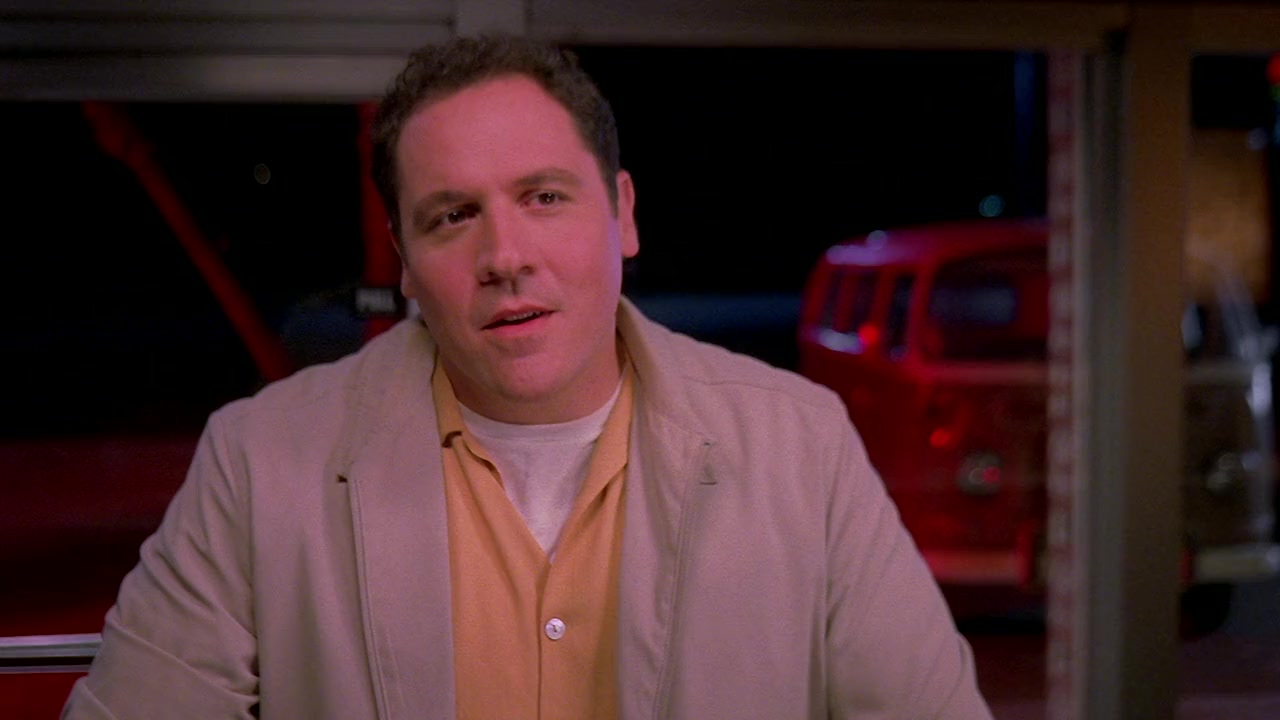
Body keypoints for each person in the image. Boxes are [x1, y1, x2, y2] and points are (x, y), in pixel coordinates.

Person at [63, 35, 993, 719]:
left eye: (544, 197)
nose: (505, 255)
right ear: (405, 260)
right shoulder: (260, 461)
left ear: (623, 213)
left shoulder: (802, 447)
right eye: (453, 216)